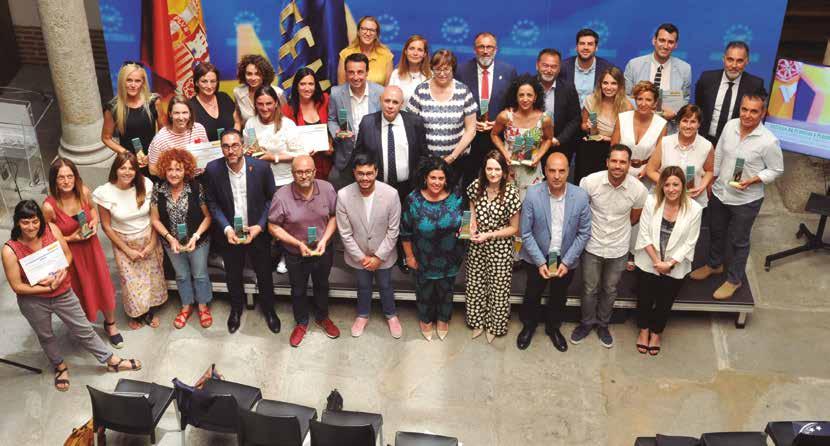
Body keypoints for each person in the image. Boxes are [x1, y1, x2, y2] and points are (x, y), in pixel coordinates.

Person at [2, 200, 142, 392]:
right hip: (34, 301)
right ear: (17, 222)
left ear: (40, 220)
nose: (31, 227)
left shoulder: (51, 229)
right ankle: (60, 367)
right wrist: (45, 289)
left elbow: (67, 255)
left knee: (84, 329)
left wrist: (61, 273)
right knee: (46, 336)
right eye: (25, 222)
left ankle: (112, 361)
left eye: (34, 221)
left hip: (62, 291)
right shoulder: (10, 250)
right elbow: (17, 286)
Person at [689, 93, 784, 299]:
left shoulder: (769, 141)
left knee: (739, 241)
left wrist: (754, 179)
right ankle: (714, 265)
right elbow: (719, 154)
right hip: (720, 192)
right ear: (740, 108)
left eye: (754, 111)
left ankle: (734, 280)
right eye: (744, 109)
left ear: (762, 113)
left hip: (746, 200)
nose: (747, 115)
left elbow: (776, 170)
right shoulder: (730, 125)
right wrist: (712, 179)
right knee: (716, 232)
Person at [204, 129, 280, 334]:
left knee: (264, 273)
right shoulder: (213, 169)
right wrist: (226, 228)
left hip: (256, 231)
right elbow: (212, 202)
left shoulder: (261, 168)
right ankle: (236, 310)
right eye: (226, 146)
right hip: (230, 234)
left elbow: (271, 199)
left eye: (235, 145)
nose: (231, 150)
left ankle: (269, 310)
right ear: (221, 148)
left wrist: (260, 226)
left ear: (243, 146)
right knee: (233, 274)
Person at [573, 145, 647, 348]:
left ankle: (603, 324)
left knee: (610, 289)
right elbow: (581, 211)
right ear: (607, 162)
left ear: (629, 165)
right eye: (614, 161)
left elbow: (634, 218)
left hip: (618, 248)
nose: (617, 166)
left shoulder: (639, 190)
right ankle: (586, 323)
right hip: (592, 245)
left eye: (623, 162)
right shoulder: (589, 182)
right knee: (589, 288)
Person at [42, 158, 121, 348]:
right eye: (61, 177)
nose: (66, 181)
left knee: (102, 284)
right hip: (70, 255)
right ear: (54, 181)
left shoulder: (84, 192)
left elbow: (92, 211)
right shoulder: (49, 207)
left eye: (70, 176)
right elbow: (47, 238)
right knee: (79, 290)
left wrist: (94, 222)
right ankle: (84, 329)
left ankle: (111, 324)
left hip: (92, 249)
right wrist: (70, 238)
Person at [517, 153, 591, 352]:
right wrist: (541, 262)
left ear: (568, 171)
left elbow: (584, 233)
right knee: (532, 293)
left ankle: (553, 328)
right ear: (545, 171)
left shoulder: (580, 196)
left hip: (565, 256)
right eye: (552, 171)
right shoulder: (533, 194)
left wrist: (566, 262)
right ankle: (529, 326)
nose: (557, 176)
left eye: (561, 171)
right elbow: (525, 232)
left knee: (559, 295)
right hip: (538, 256)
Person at [268, 155, 340, 347]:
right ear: (292, 174)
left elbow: (334, 216)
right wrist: (297, 243)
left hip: (323, 249)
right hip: (295, 253)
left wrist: (324, 240)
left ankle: (322, 317)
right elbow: (273, 226)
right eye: (299, 172)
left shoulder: (327, 189)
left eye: (308, 171)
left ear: (315, 172)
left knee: (322, 284)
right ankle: (301, 322)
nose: (304, 175)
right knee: (298, 289)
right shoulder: (281, 196)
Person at [93, 152, 167, 329]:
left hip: (148, 239)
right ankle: (136, 315)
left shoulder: (146, 184)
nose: (127, 172)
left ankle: (148, 313)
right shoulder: (105, 192)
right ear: (115, 170)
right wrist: (127, 250)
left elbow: (154, 217)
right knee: (131, 283)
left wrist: (152, 243)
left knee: (151, 278)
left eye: (131, 168)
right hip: (124, 243)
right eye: (122, 168)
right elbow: (106, 226)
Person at [633, 166, 702, 355]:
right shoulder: (651, 201)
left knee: (665, 301)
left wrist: (669, 264)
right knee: (644, 298)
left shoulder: (695, 209)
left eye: (676, 184)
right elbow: (644, 233)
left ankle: (656, 333)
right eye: (667, 185)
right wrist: (657, 262)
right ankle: (644, 330)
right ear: (661, 186)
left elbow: (690, 242)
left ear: (683, 186)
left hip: (675, 265)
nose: (671, 189)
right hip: (649, 260)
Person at [335, 152, 403, 338]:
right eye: (360, 173)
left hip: (384, 254)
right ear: (354, 173)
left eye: (369, 173)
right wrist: (362, 258)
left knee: (386, 284)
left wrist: (379, 257)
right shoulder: (343, 195)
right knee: (363, 285)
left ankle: (391, 315)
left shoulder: (391, 194)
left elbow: (393, 230)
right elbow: (345, 233)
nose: (365, 178)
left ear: (376, 172)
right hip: (359, 255)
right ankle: (362, 315)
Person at [400, 157, 465, 341]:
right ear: (425, 178)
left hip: (450, 257)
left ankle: (443, 319)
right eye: (433, 177)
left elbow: (466, 218)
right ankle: (425, 320)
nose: (437, 182)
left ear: (446, 179)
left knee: (447, 290)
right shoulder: (413, 199)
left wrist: (467, 231)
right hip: (423, 258)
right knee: (424, 291)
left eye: (441, 178)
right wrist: (409, 257)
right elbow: (405, 232)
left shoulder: (457, 196)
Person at [149, 148, 213, 329]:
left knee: (200, 274)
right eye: (170, 169)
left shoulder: (196, 187)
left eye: (178, 169)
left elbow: (208, 217)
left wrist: (196, 236)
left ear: (186, 170)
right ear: (164, 170)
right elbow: (155, 219)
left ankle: (203, 306)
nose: (174, 173)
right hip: (172, 243)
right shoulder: (158, 189)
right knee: (181, 275)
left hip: (198, 241)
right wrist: (170, 238)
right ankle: (186, 306)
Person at [465, 151, 521, 343]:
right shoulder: (475, 187)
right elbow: (471, 212)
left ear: (504, 172)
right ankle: (477, 322)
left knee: (498, 289)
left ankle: (494, 326)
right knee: (475, 284)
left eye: (497, 169)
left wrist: (489, 235)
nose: (493, 173)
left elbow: (514, 228)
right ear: (484, 170)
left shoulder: (511, 193)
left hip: (500, 248)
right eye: (489, 168)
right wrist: (471, 227)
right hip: (477, 246)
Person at [455, 32, 518, 189]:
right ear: (474, 49)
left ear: (496, 49)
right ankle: (468, 206)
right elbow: (454, 102)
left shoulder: (508, 71)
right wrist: (469, 122)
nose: (485, 51)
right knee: (469, 180)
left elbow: (513, 104)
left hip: (497, 135)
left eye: (489, 47)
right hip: (469, 136)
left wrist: (499, 122)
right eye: (481, 47)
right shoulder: (461, 71)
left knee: (496, 179)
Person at [407, 49, 477, 186]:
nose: (442, 73)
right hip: (426, 162)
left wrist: (452, 157)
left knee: (452, 195)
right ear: (432, 68)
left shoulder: (463, 91)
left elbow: (471, 130)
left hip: (456, 161)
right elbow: (409, 124)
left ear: (453, 69)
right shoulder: (421, 90)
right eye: (438, 69)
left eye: (446, 69)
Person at [355, 85, 429, 205]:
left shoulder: (415, 122)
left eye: (395, 102)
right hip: (377, 187)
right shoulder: (367, 123)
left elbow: (423, 155)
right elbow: (359, 154)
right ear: (380, 100)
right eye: (387, 101)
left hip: (409, 188)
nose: (390, 106)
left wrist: (417, 180)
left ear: (401, 104)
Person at [490, 74, 554, 200]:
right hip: (509, 170)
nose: (525, 99)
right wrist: (504, 153)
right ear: (516, 97)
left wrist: (538, 156)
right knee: (508, 208)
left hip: (531, 172)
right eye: (521, 95)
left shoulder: (544, 119)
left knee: (530, 208)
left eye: (529, 95)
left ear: (535, 97)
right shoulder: (505, 116)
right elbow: (494, 134)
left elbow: (548, 139)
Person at [327, 53, 384, 189]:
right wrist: (337, 132)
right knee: (337, 186)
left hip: (372, 152)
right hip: (346, 152)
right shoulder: (336, 93)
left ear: (367, 72)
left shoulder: (380, 92)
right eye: (351, 72)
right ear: (346, 73)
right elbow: (332, 119)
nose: (356, 77)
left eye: (360, 72)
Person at [695, 41, 766, 144]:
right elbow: (698, 107)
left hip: (736, 142)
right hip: (705, 139)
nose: (734, 65)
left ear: (747, 61)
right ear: (723, 59)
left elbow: (758, 114)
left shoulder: (755, 85)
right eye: (730, 59)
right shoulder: (706, 78)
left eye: (739, 61)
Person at [644, 104, 714, 208]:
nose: (688, 126)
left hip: (693, 200)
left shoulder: (706, 146)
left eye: (693, 122)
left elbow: (709, 170)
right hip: (665, 198)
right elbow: (650, 170)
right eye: (685, 121)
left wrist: (702, 186)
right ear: (678, 122)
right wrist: (671, 185)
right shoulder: (665, 142)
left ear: (699, 124)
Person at [624, 23, 691, 129]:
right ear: (654, 40)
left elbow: (685, 98)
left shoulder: (685, 69)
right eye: (662, 40)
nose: (665, 46)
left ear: (676, 45)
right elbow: (626, 96)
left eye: (670, 42)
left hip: (669, 129)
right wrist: (646, 111)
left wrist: (675, 113)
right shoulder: (634, 65)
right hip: (638, 127)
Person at [575, 67, 633, 185]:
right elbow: (583, 125)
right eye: (605, 83)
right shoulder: (591, 100)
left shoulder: (627, 106)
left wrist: (607, 138)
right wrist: (588, 126)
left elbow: (628, 136)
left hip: (613, 148)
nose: (609, 87)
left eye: (613, 83)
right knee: (586, 182)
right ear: (600, 84)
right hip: (591, 145)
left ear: (620, 85)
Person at [101, 62, 160, 173]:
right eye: (129, 80)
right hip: (128, 162)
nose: (133, 85)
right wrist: (126, 153)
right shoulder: (113, 107)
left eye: (137, 81)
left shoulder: (153, 102)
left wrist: (154, 153)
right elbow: (106, 138)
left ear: (143, 83)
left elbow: (163, 132)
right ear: (122, 82)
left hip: (153, 158)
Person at [245, 85, 303, 187]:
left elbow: (300, 154)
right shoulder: (251, 123)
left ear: (276, 103)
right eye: (260, 104)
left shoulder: (287, 124)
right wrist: (248, 152)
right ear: (255, 104)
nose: (265, 108)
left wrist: (273, 157)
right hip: (260, 180)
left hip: (284, 181)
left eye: (269, 103)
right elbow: (252, 148)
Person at [282, 67, 334, 180]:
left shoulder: (325, 100)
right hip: (303, 168)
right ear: (296, 86)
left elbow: (334, 123)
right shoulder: (288, 110)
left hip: (327, 163)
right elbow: (285, 141)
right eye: (302, 84)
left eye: (311, 84)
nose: (307, 88)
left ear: (316, 85)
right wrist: (301, 151)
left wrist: (331, 143)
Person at [611, 81, 667, 183]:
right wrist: (621, 168)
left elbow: (659, 155)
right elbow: (613, 148)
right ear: (635, 100)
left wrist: (647, 170)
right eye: (640, 99)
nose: (643, 104)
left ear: (655, 103)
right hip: (620, 171)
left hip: (647, 173)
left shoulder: (661, 124)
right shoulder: (622, 118)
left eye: (648, 100)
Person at [535, 48, 581, 165]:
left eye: (553, 66)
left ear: (559, 69)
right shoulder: (526, 85)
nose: (549, 70)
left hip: (559, 146)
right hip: (531, 146)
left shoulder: (568, 88)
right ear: (537, 65)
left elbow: (575, 119)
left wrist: (559, 139)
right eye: (545, 65)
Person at [148, 95, 209, 177]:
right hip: (174, 181)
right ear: (170, 114)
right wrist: (174, 175)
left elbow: (207, 155)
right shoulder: (160, 139)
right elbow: (152, 169)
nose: (181, 117)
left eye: (184, 113)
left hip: (200, 178)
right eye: (176, 113)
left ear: (190, 113)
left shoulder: (199, 129)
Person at [559, 28, 616, 106]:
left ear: (596, 48)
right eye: (582, 43)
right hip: (568, 113)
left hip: (596, 112)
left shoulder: (607, 68)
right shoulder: (562, 67)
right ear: (576, 47)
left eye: (590, 44)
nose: (585, 47)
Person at [337, 16, 394, 86]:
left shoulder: (386, 55)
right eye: (364, 29)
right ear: (358, 32)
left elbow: (388, 87)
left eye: (372, 30)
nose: (368, 33)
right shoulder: (345, 54)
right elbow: (341, 86)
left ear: (376, 34)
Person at [189, 62, 238, 141]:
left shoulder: (224, 98)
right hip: (205, 148)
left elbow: (237, 122)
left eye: (213, 81)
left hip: (231, 146)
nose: (209, 86)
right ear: (196, 83)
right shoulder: (190, 106)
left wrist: (234, 140)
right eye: (204, 81)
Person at [234, 54, 287, 125]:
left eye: (257, 74)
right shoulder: (238, 92)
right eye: (249, 74)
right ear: (243, 74)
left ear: (264, 74)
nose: (253, 78)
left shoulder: (278, 93)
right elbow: (238, 120)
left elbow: (285, 118)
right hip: (248, 131)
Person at [387, 34, 432, 104]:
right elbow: (389, 101)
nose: (415, 53)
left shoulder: (431, 76)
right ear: (405, 51)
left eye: (420, 50)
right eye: (412, 49)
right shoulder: (396, 74)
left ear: (424, 54)